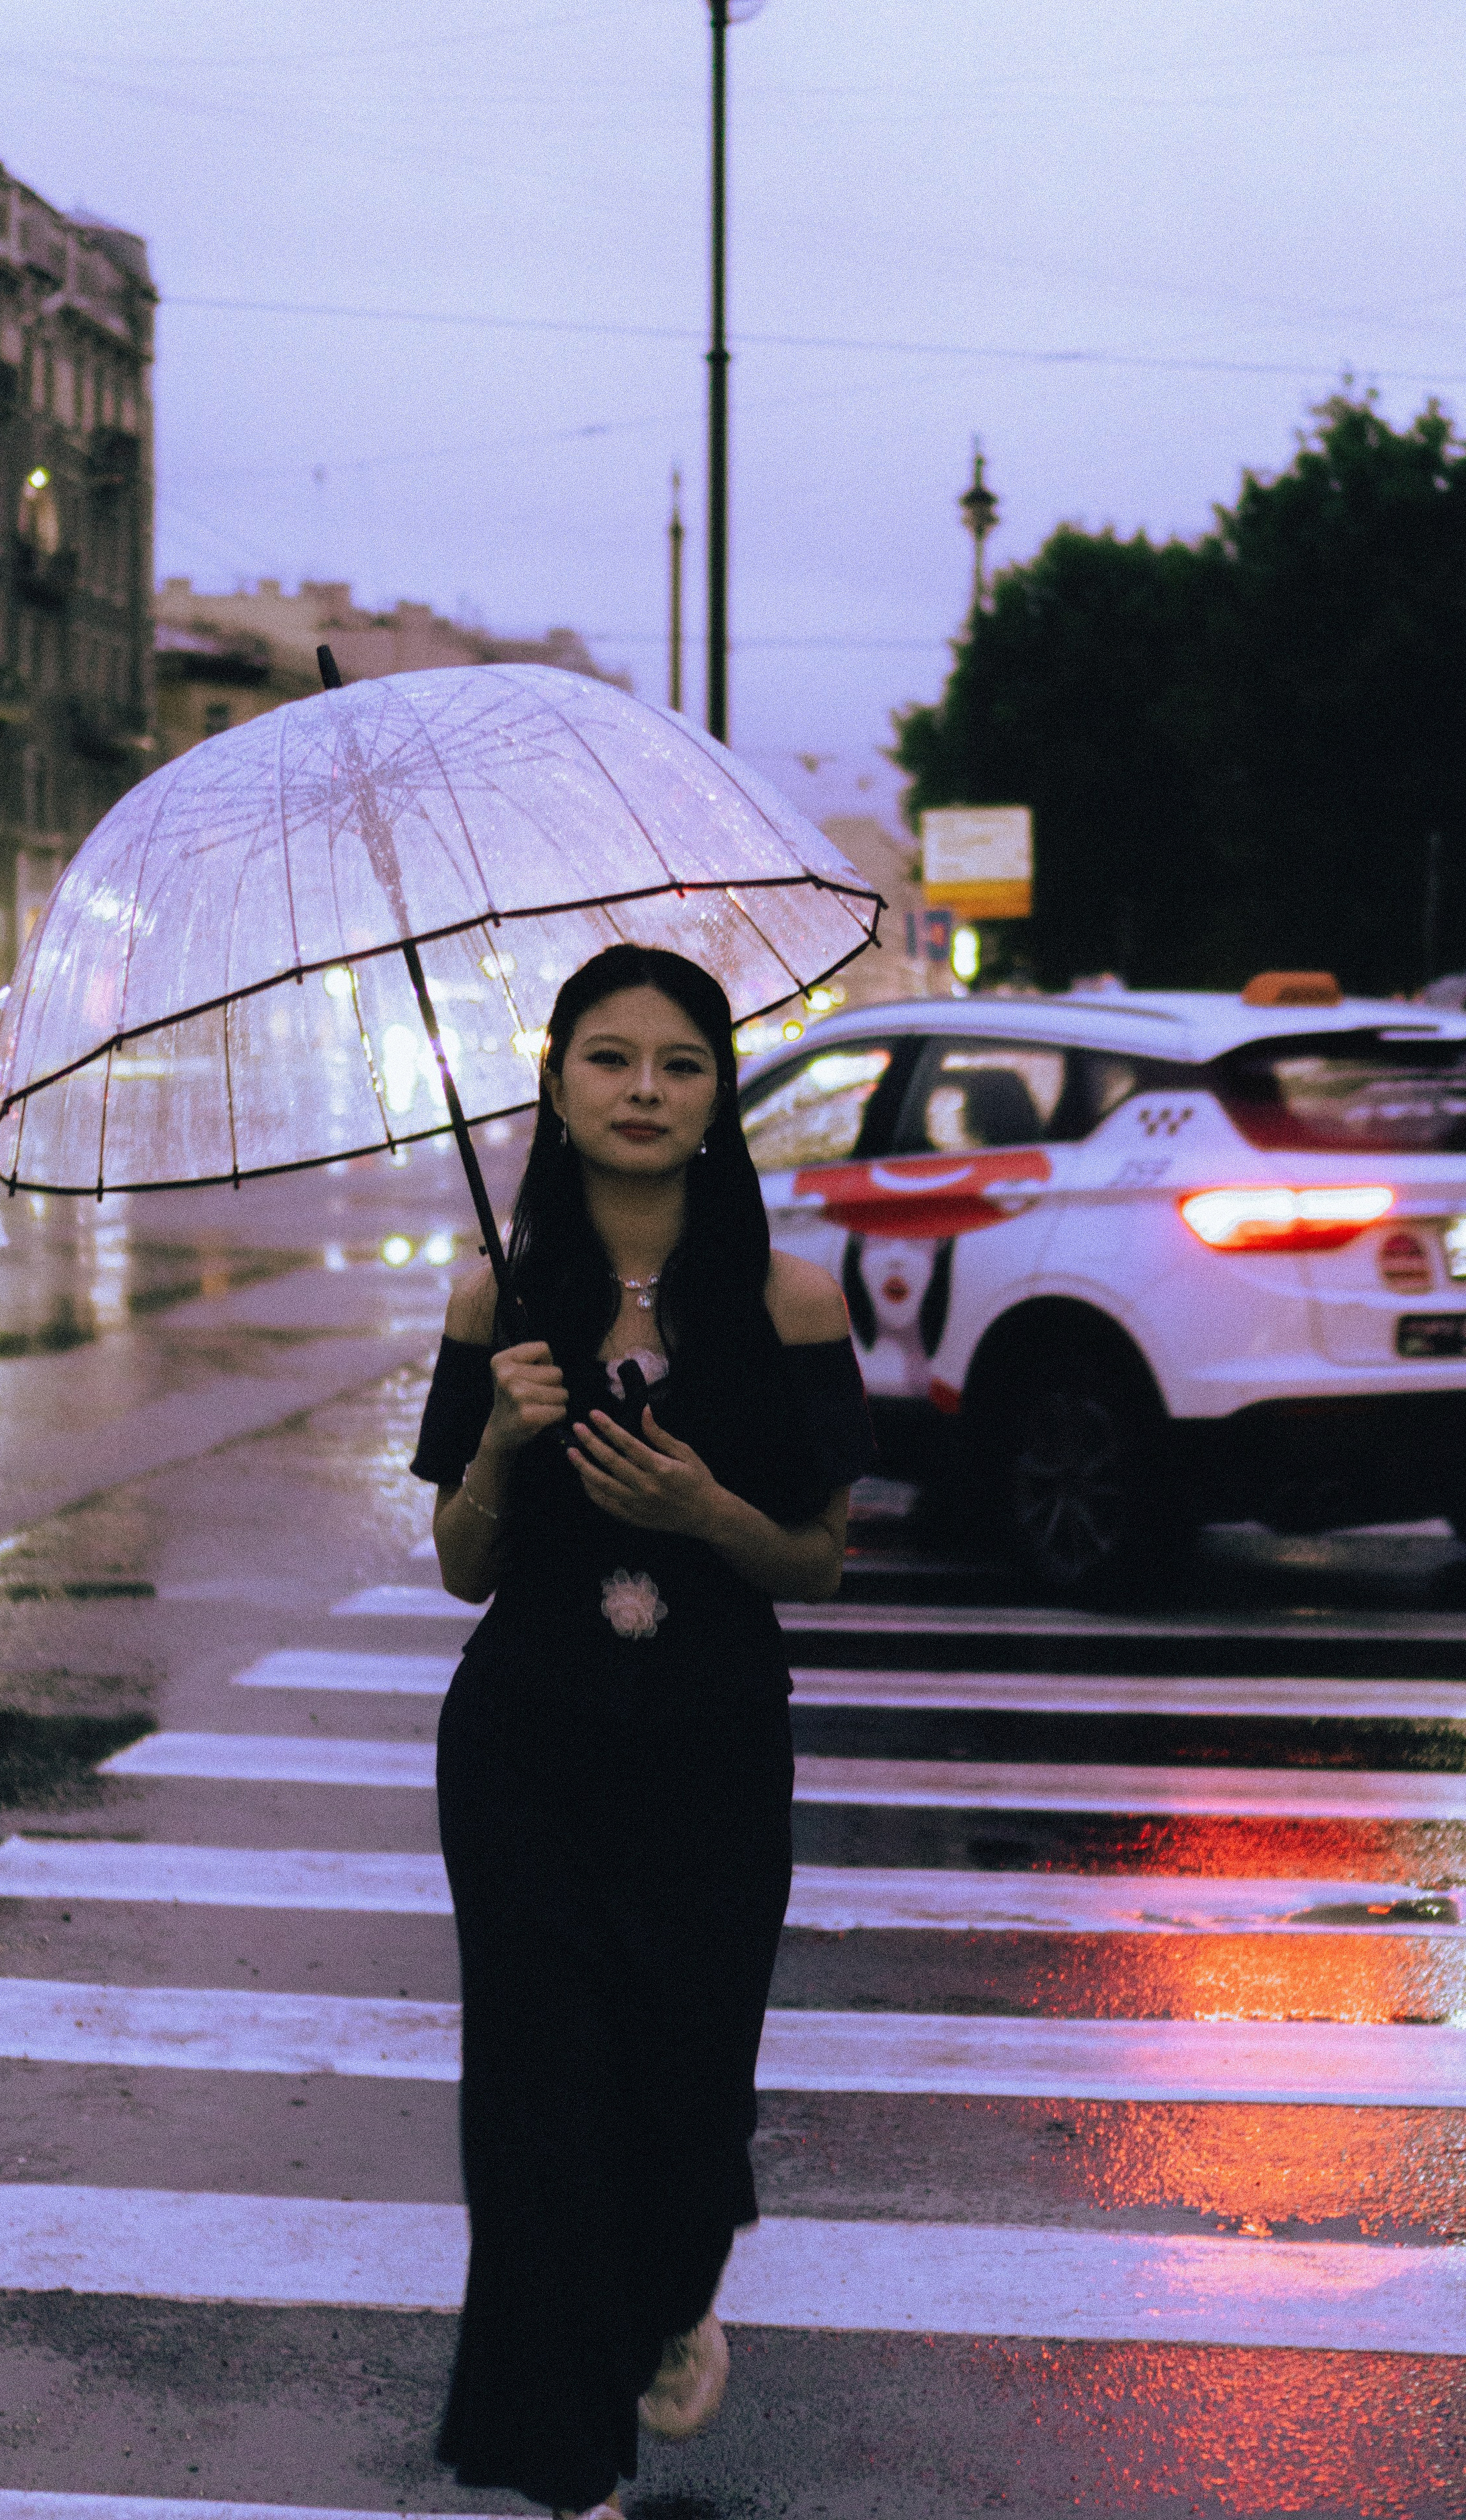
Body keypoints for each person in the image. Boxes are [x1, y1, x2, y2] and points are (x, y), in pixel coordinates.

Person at [409, 943, 872, 2519]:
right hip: (526, 1748)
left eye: (678, 1063)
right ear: (552, 1084)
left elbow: (814, 1560)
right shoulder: (495, 1296)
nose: (641, 1091)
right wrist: (496, 1438)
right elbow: (464, 1565)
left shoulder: (784, 1300)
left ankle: (675, 2293)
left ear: (720, 1096)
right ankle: (567, 2471)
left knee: (685, 2102)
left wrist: (704, 1510)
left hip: (709, 1750)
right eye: (608, 1059)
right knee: (540, 2112)